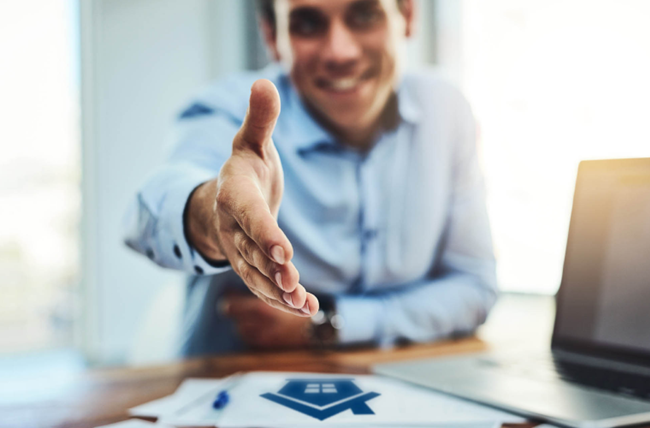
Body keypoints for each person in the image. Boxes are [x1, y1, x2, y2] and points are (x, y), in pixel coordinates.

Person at [124, 0, 497, 356]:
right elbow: (148, 213)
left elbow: (474, 288)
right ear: (272, 37)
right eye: (306, 24)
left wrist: (330, 323)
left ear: (408, 15)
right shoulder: (232, 110)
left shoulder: (447, 112)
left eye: (365, 14)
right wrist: (212, 213)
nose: (340, 52)